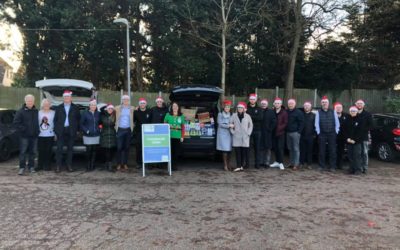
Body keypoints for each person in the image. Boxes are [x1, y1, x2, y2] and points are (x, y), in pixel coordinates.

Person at [54, 90, 81, 173]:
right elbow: (55, 120)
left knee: (70, 150)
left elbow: (78, 120)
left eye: (68, 97)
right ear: (63, 98)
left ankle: (69, 165)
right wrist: (56, 131)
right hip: (61, 131)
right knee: (59, 149)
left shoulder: (75, 108)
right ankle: (58, 166)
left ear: (71, 98)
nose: (67, 98)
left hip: (71, 131)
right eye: (65, 97)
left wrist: (77, 131)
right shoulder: (58, 108)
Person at [13, 94, 40, 175]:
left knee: (33, 152)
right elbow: (16, 123)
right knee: (23, 152)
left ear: (34, 101)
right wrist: (24, 130)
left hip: (34, 136)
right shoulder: (20, 111)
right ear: (25, 101)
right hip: (24, 136)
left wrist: (37, 131)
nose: (30, 102)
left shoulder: (36, 111)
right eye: (28, 101)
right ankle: (22, 167)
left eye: (31, 101)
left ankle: (31, 167)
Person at [315, 96, 340, 172]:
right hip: (322, 134)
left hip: (332, 133)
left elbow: (337, 123)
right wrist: (318, 133)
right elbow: (316, 124)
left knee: (332, 150)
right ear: (321, 103)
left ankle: (332, 166)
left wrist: (336, 131)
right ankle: (321, 166)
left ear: (328, 103)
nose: (324, 103)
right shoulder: (318, 112)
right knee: (321, 150)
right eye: (323, 102)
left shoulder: (333, 111)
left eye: (325, 102)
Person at [230, 102, 253, 172]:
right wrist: (232, 132)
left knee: (243, 152)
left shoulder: (247, 116)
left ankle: (241, 166)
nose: (240, 109)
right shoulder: (234, 115)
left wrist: (248, 133)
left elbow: (251, 125)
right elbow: (230, 124)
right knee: (237, 152)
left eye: (241, 108)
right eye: (238, 108)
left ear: (244, 109)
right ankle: (238, 166)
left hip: (245, 137)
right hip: (236, 136)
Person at [115, 95, 135, 171]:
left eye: (127, 100)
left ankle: (125, 163)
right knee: (119, 147)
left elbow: (138, 109)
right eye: (124, 100)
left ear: (129, 101)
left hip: (128, 130)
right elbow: (107, 108)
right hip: (120, 130)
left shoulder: (132, 108)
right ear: (122, 100)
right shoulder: (117, 108)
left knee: (127, 147)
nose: (126, 101)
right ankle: (119, 164)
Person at [80, 99, 101, 171]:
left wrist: (99, 128)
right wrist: (87, 131)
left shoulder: (98, 113)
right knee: (88, 150)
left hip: (96, 135)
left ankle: (92, 165)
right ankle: (88, 165)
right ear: (89, 106)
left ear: (96, 106)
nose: (93, 106)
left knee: (94, 150)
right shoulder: (85, 113)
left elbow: (100, 123)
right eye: (92, 105)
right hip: (88, 135)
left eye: (94, 105)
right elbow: (81, 124)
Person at [164, 102, 185, 170]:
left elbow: (183, 127)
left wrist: (182, 136)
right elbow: (164, 125)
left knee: (176, 152)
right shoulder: (168, 115)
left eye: (176, 106)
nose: (175, 107)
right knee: (170, 151)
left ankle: (174, 166)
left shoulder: (181, 116)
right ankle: (169, 165)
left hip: (177, 136)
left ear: (178, 107)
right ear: (171, 107)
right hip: (169, 136)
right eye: (173, 106)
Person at [285, 99, 304, 170]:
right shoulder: (286, 112)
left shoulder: (298, 112)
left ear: (295, 104)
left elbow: (302, 123)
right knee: (290, 148)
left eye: (292, 103)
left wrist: (299, 132)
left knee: (296, 149)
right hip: (288, 133)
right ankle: (291, 163)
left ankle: (296, 164)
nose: (290, 105)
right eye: (289, 103)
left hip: (295, 133)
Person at [344, 106, 364, 175]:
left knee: (357, 156)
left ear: (356, 112)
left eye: (354, 111)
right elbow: (344, 130)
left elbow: (361, 132)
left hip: (357, 141)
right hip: (349, 141)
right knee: (350, 155)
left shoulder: (360, 120)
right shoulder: (347, 119)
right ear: (349, 112)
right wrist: (347, 138)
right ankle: (351, 169)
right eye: (351, 111)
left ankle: (358, 169)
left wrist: (355, 140)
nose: (352, 112)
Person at [37, 98, 55, 171]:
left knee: (48, 151)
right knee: (41, 151)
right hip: (40, 135)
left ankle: (47, 166)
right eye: (45, 104)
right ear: (42, 105)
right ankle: (40, 165)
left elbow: (56, 123)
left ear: (50, 105)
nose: (46, 105)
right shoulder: (38, 113)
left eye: (47, 104)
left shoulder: (54, 112)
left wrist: (56, 134)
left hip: (50, 135)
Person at [355, 99, 372, 174]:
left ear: (363, 105)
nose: (359, 105)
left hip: (364, 137)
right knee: (357, 153)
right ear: (356, 104)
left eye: (361, 103)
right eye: (358, 103)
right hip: (355, 137)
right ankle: (358, 167)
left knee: (364, 152)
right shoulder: (353, 113)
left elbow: (371, 126)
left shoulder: (368, 114)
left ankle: (365, 167)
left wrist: (362, 130)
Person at [270, 97, 287, 170]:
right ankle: (277, 161)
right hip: (273, 133)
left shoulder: (284, 112)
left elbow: (285, 123)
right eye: (276, 103)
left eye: (278, 103)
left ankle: (281, 163)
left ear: (281, 104)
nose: (277, 104)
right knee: (275, 148)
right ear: (274, 104)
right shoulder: (272, 111)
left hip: (280, 133)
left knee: (280, 148)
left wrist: (278, 128)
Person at [246, 93, 263, 168]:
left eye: (253, 99)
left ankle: (257, 164)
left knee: (257, 147)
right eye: (251, 99)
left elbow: (260, 118)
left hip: (257, 130)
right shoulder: (245, 108)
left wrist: (249, 116)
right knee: (247, 148)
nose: (252, 100)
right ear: (249, 100)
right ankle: (247, 164)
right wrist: (253, 118)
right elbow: (244, 118)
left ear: (255, 100)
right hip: (247, 130)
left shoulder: (259, 109)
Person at [134, 98, 152, 166]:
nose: (142, 104)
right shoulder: (136, 111)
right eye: (141, 103)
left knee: (147, 148)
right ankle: (139, 163)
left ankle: (147, 162)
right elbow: (133, 121)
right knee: (138, 148)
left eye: (143, 103)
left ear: (146, 104)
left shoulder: (149, 111)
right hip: (138, 132)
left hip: (147, 133)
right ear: (139, 104)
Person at [216, 100, 234, 171]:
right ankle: (225, 165)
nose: (227, 108)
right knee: (225, 150)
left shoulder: (231, 114)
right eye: (226, 107)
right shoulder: (220, 114)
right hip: (223, 134)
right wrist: (229, 125)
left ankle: (229, 164)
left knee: (229, 150)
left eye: (228, 107)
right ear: (224, 107)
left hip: (229, 133)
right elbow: (220, 124)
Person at [100, 103, 117, 172]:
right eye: (109, 108)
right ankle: (107, 165)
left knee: (112, 150)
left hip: (112, 134)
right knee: (106, 150)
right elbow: (101, 109)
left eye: (111, 109)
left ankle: (109, 165)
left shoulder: (115, 116)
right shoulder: (103, 115)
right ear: (106, 109)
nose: (110, 110)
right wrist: (106, 105)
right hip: (105, 134)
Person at [260, 99, 276, 168]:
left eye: (265, 103)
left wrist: (270, 129)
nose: (263, 104)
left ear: (267, 104)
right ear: (261, 104)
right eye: (262, 103)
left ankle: (267, 162)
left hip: (268, 133)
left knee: (268, 148)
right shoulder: (259, 110)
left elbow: (274, 121)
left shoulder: (271, 112)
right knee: (260, 148)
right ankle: (260, 162)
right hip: (260, 132)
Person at [300, 101, 315, 169]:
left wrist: (314, 134)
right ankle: (301, 163)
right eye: (305, 106)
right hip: (301, 135)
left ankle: (309, 164)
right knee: (302, 150)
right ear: (304, 107)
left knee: (310, 150)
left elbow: (316, 125)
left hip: (310, 136)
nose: (306, 107)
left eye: (308, 106)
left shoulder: (313, 115)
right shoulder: (300, 114)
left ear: (310, 107)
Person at [334, 102, 349, 170]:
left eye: (340, 108)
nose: (339, 109)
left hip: (343, 137)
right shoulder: (332, 115)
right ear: (335, 108)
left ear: (342, 108)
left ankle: (340, 164)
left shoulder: (346, 116)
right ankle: (333, 164)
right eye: (337, 108)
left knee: (341, 151)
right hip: (333, 136)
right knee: (333, 151)